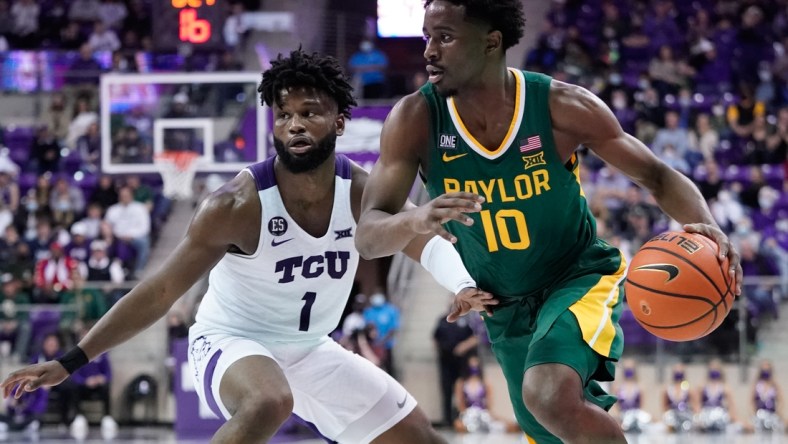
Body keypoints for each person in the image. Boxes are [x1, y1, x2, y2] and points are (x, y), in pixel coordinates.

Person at [1, 49, 494, 444]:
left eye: (310, 113)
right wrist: (70, 361)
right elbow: (160, 290)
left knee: (419, 438)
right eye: (284, 115)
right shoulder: (235, 204)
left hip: (310, 349)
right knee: (267, 401)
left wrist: (464, 284)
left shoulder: (362, 191)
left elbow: (422, 244)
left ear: (340, 122)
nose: (295, 125)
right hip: (228, 341)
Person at [354, 1, 742, 442]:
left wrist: (707, 226)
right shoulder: (414, 119)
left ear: (491, 41)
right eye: (426, 37)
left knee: (547, 395)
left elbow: (655, 174)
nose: (428, 51)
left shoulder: (559, 105)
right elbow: (368, 236)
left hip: (575, 277)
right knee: (551, 427)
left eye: (444, 36)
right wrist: (417, 218)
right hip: (503, 306)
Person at [696, 359, 740, 433]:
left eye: (716, 369)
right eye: (712, 369)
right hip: (705, 414)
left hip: (719, 415)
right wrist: (698, 416)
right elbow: (697, 404)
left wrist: (732, 417)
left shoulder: (724, 387)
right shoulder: (702, 386)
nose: (714, 371)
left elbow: (732, 406)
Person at [610, 359, 651, 433]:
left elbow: (642, 406)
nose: (629, 371)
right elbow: (615, 405)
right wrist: (619, 418)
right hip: (623, 416)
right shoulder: (617, 387)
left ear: (634, 370)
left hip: (636, 416)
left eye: (630, 368)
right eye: (627, 368)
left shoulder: (640, 387)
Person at [751, 359, 785, 433]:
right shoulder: (756, 385)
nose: (765, 371)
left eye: (767, 369)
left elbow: (781, 401)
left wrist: (778, 413)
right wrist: (754, 413)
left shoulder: (774, 385)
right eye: (764, 369)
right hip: (759, 415)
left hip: (772, 415)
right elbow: (751, 401)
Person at [662, 363, 696, 433]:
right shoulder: (668, 389)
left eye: (680, 371)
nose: (678, 373)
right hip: (673, 415)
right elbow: (664, 407)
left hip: (685, 414)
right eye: (676, 371)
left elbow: (695, 405)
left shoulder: (688, 388)